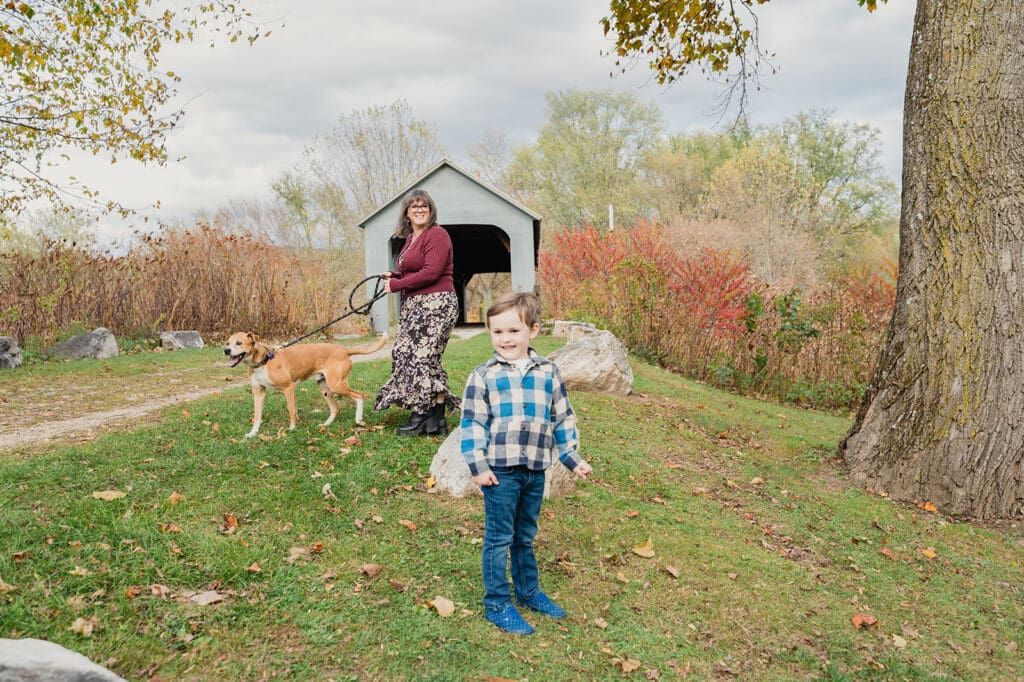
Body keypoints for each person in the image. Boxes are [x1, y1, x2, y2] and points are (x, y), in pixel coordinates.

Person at [460, 291, 593, 635]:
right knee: (499, 537)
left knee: (525, 535)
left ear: (532, 330)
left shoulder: (549, 371)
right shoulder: (482, 376)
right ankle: (497, 603)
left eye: (513, 331)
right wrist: (478, 466)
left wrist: (572, 458)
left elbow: (562, 418)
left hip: (535, 469)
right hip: (500, 472)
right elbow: (473, 424)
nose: (505, 339)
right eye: (498, 332)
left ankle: (528, 591)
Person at [375, 189, 460, 436]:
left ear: (431, 210)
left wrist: (397, 285)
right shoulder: (411, 238)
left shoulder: (438, 234)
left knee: (419, 357)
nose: (419, 209)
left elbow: (432, 272)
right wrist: (397, 275)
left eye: (424, 206)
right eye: (414, 206)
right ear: (407, 213)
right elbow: (417, 271)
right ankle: (437, 421)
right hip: (417, 304)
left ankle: (420, 414)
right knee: (418, 356)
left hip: (437, 303)